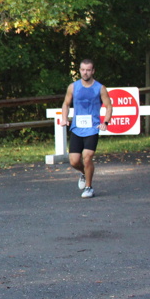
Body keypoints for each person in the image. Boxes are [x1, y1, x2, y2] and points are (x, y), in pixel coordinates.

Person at [60, 59, 113, 198]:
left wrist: (105, 122)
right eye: (83, 70)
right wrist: (64, 118)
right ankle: (84, 173)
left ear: (93, 71)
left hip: (92, 128)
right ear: (79, 70)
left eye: (88, 70)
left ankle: (89, 188)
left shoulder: (100, 88)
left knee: (87, 157)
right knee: (74, 161)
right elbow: (66, 104)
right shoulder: (73, 87)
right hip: (77, 128)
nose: (85, 72)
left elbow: (109, 106)